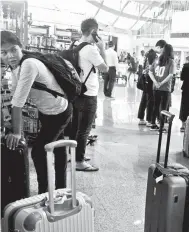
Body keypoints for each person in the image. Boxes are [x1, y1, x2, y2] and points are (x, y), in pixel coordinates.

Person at [1, 30, 72, 193]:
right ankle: (61, 189)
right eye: (3, 53)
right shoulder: (16, 66)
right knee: (58, 147)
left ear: (21, 47)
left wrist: (17, 134)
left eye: (13, 50)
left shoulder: (28, 64)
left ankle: (44, 193)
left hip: (60, 111)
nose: (10, 56)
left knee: (39, 152)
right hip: (46, 112)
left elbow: (17, 102)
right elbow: (15, 96)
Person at [71, 18, 109, 172]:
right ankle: (79, 161)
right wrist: (102, 48)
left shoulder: (75, 45)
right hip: (89, 93)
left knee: (75, 127)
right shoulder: (91, 49)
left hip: (76, 92)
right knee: (84, 129)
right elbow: (105, 69)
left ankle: (73, 155)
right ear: (93, 32)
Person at [148, 43, 176, 132]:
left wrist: (156, 82)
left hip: (155, 88)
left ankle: (153, 124)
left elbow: (150, 72)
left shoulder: (156, 60)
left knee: (155, 106)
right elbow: (171, 75)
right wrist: (161, 83)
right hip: (165, 88)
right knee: (163, 108)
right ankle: (161, 126)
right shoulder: (171, 61)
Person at [137, 49, 157, 125]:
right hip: (150, 79)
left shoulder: (146, 59)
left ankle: (141, 118)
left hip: (145, 79)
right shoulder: (154, 62)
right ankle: (149, 120)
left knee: (144, 100)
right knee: (150, 101)